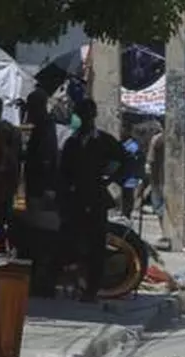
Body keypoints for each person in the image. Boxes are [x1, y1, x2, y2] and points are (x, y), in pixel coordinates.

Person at [58, 99, 126, 302]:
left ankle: (92, 289)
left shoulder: (105, 141)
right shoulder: (72, 142)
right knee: (72, 243)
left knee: (96, 245)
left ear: (93, 115)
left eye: (88, 113)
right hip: (75, 200)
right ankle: (74, 284)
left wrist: (109, 179)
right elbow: (64, 172)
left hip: (96, 199)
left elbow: (123, 162)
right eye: (82, 114)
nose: (85, 118)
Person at [20, 89, 61, 295]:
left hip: (41, 190)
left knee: (40, 235)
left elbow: (46, 159)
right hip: (38, 188)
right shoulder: (42, 126)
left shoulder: (45, 126)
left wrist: (47, 189)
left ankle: (43, 281)